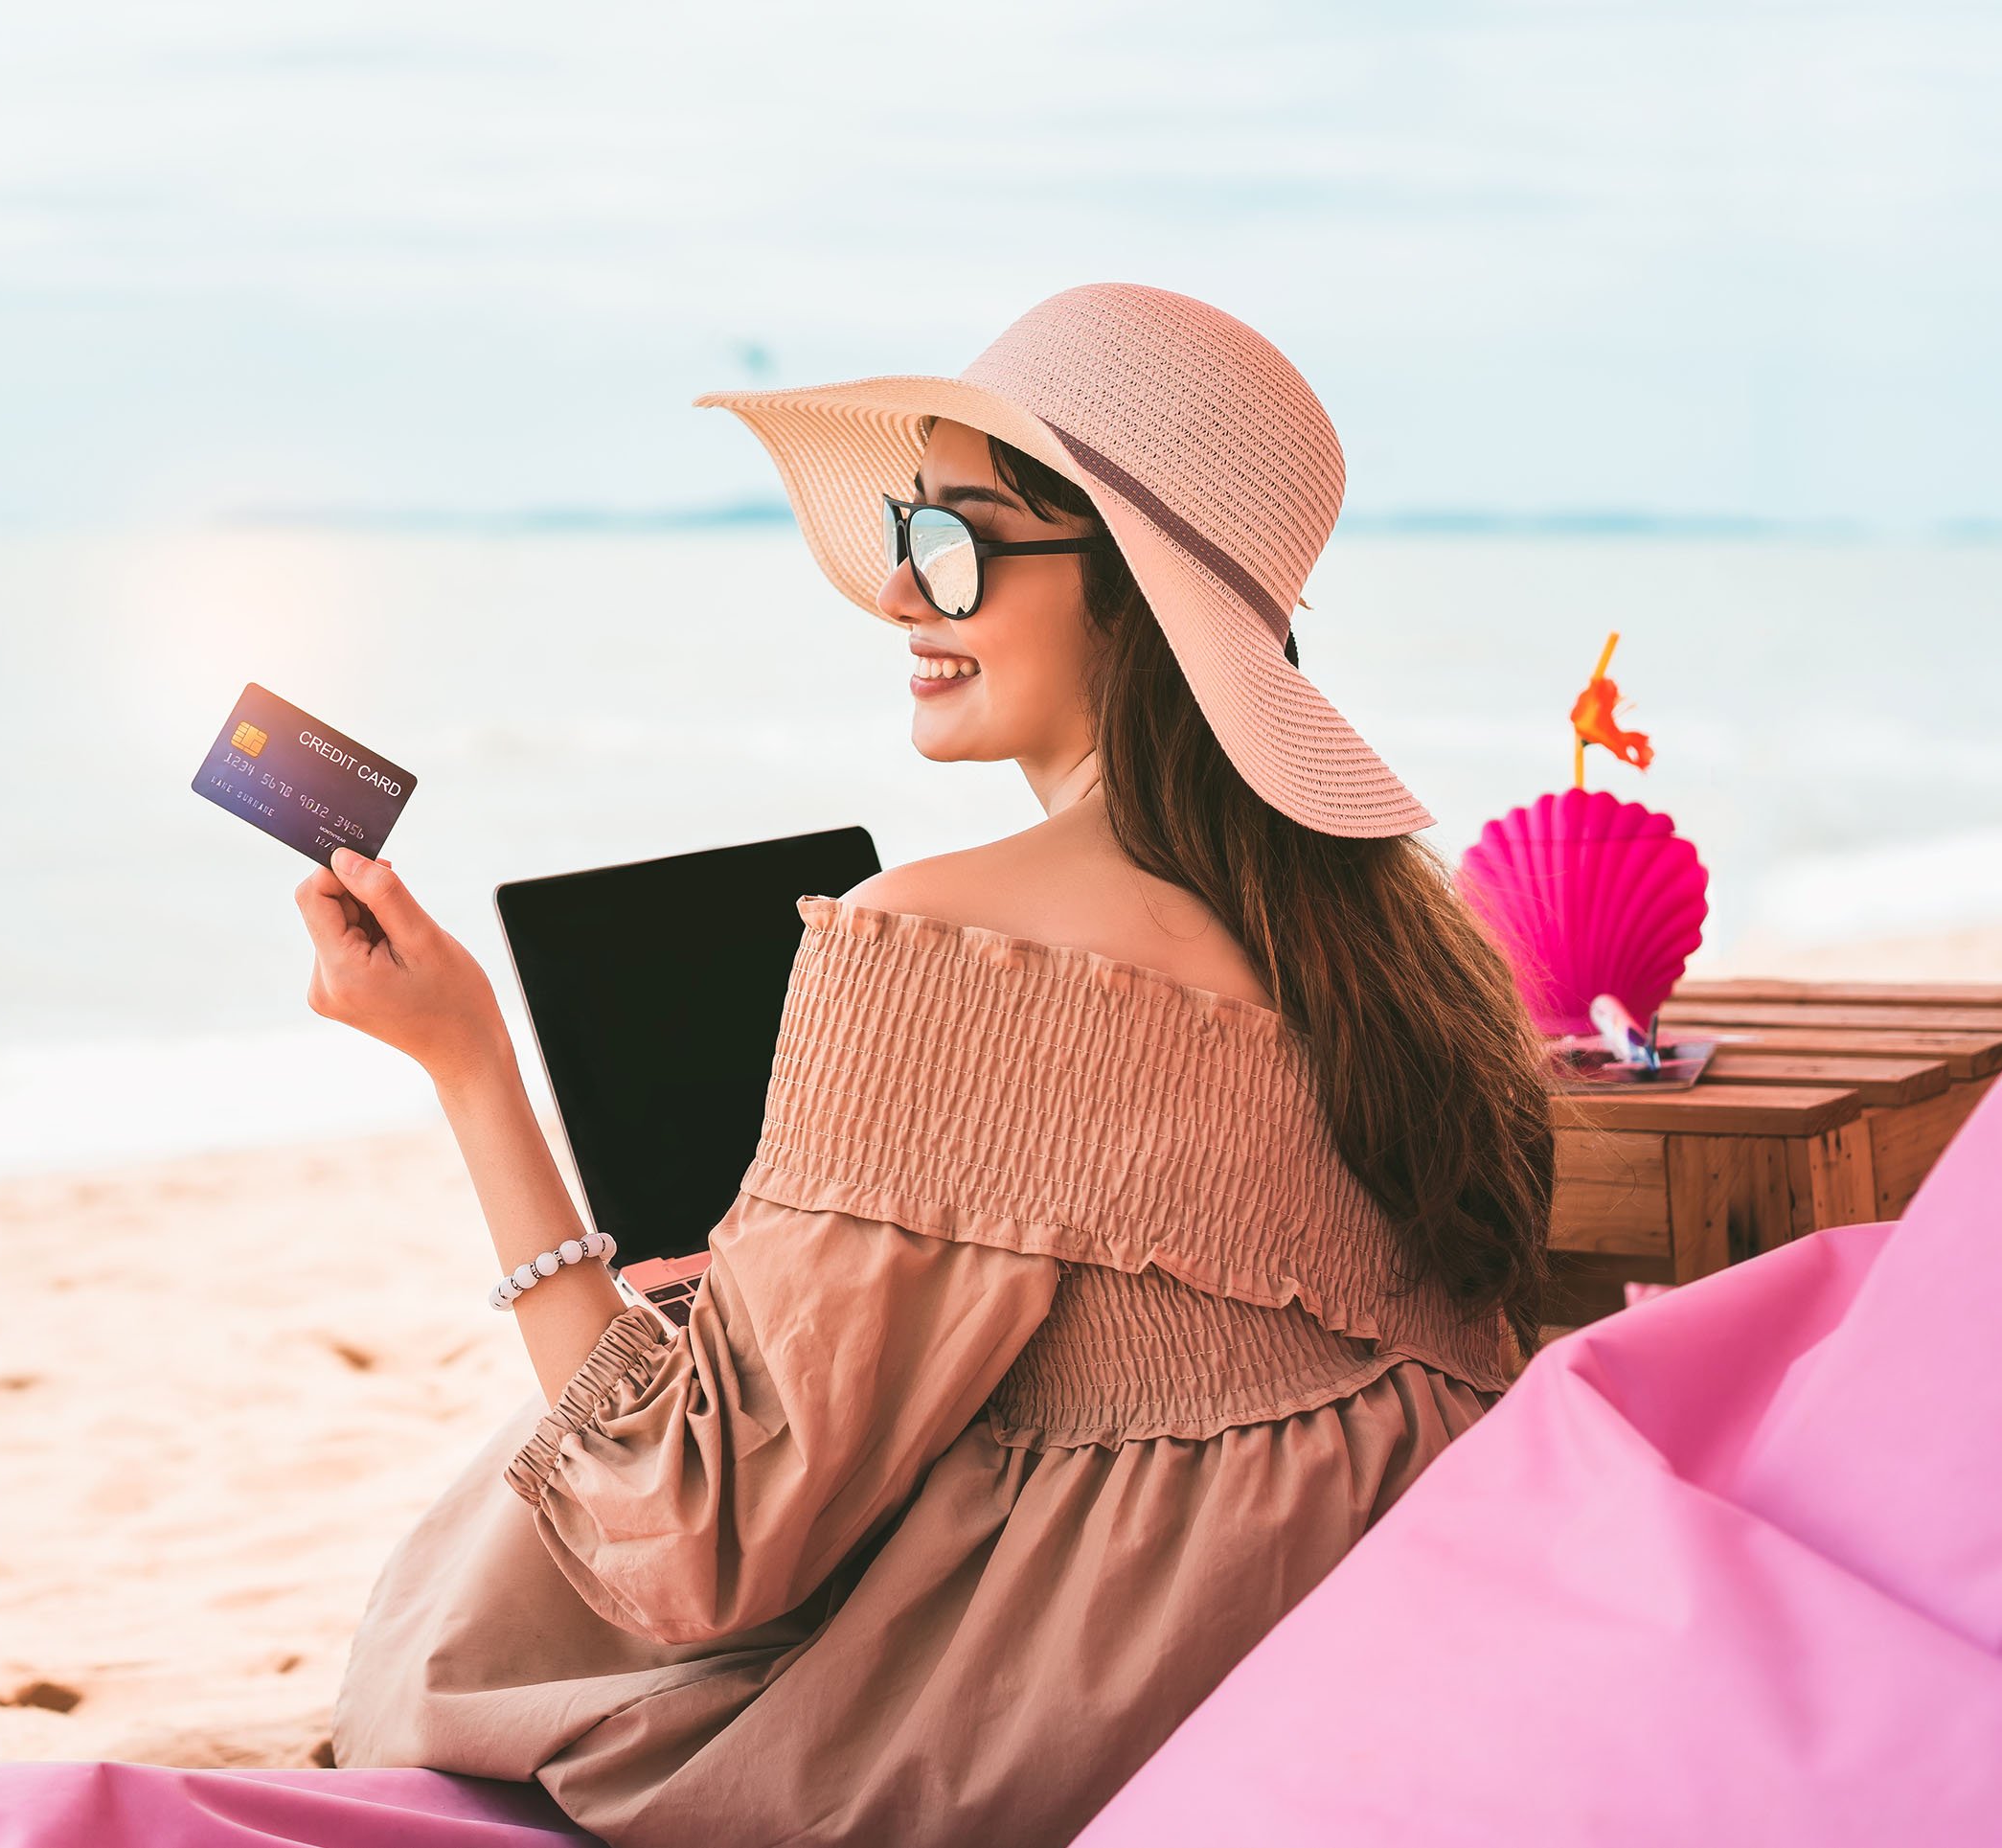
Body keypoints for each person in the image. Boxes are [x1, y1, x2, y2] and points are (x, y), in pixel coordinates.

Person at [303, 284, 1555, 1846]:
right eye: (908, 525)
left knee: (511, 1534)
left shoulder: (947, 945)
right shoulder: (1397, 949)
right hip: (1352, 1661)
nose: (898, 588)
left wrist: (468, 1063)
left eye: (956, 540)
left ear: (1131, 593)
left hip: (1077, 1714)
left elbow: (697, 1541)